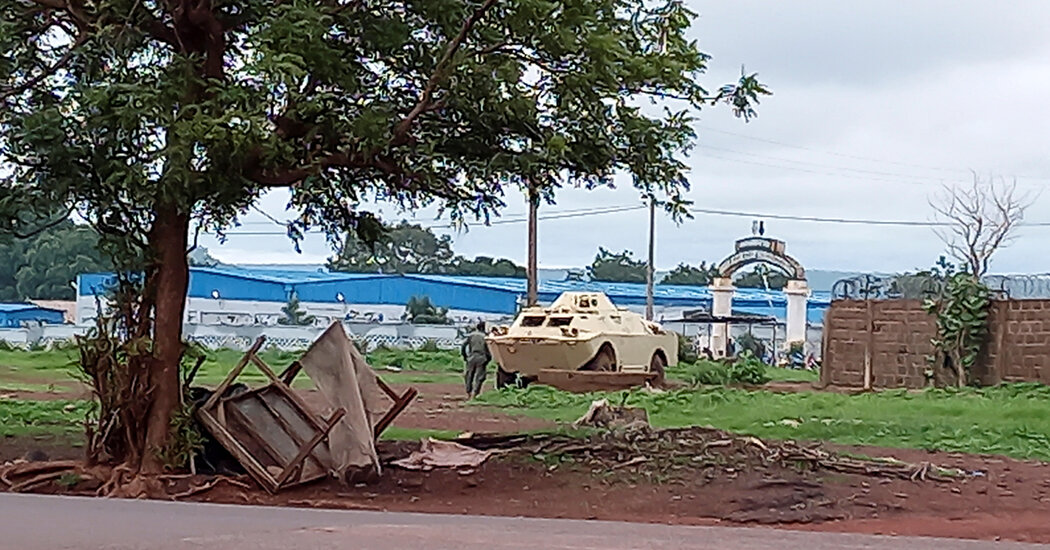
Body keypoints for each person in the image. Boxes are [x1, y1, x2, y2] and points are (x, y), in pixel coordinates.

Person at [460, 321, 492, 399]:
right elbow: (489, 349)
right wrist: (488, 359)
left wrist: (465, 356)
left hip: (471, 356)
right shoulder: (485, 337)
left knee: (469, 375)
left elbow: (463, 345)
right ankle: (475, 393)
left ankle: (468, 392)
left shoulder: (471, 335)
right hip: (482, 357)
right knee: (479, 377)